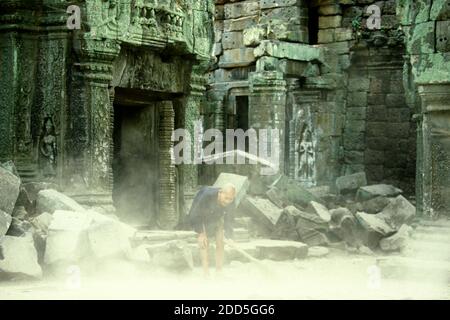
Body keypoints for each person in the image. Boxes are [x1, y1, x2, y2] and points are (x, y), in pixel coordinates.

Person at [187, 183, 236, 277]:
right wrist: (201, 233)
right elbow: (194, 215)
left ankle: (219, 271)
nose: (228, 202)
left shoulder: (231, 199)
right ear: (220, 193)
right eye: (226, 198)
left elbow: (230, 219)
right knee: (204, 242)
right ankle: (206, 273)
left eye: (231, 199)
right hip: (201, 216)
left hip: (217, 215)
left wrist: (230, 237)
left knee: (220, 241)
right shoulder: (206, 195)